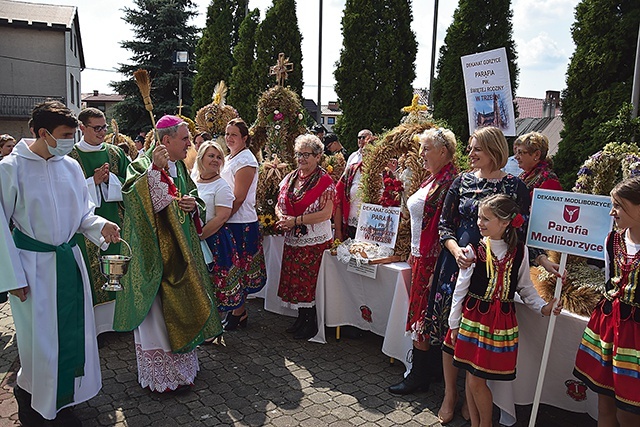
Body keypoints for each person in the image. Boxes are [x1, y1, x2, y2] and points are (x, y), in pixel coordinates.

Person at [0, 100, 121, 426]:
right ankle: (33, 397)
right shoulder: (11, 168)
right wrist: (11, 276)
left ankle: (66, 397)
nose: (72, 140)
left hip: (69, 262)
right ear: (43, 133)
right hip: (33, 267)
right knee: (40, 341)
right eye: (66, 134)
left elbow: (82, 212)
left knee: (75, 333)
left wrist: (100, 226)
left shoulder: (69, 166)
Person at [114, 115, 222, 393]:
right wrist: (152, 171)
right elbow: (132, 200)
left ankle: (184, 369)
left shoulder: (181, 168)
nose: (190, 144)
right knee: (158, 315)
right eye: (185, 139)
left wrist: (191, 203)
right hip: (155, 256)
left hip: (182, 250)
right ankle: (163, 376)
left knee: (183, 305)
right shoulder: (140, 165)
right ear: (166, 140)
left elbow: (194, 195)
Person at [429, 126, 530, 423]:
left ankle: (472, 394)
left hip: (491, 270)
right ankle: (451, 393)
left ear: (494, 150)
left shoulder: (515, 186)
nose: (470, 154)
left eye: (477, 149)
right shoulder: (461, 182)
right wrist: (454, 249)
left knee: (476, 339)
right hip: (457, 264)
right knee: (452, 333)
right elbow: (444, 224)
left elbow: (521, 232)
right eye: (470, 148)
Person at [447, 194, 561, 427]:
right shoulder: (472, 250)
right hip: (474, 318)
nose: (480, 223)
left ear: (506, 222)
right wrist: (454, 323)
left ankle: (484, 423)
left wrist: (543, 308)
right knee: (472, 375)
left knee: (477, 379)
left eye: (486, 219)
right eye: (479, 217)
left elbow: (525, 288)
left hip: (500, 324)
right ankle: (480, 423)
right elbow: (460, 289)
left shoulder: (519, 251)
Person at [388, 128, 458, 395]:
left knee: (423, 316)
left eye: (426, 148)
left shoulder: (450, 182)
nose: (421, 154)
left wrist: (436, 266)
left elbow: (447, 227)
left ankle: (419, 375)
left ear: (443, 151)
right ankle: (428, 372)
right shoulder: (434, 179)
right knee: (423, 315)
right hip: (420, 256)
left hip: (434, 260)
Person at [573, 176, 640, 426]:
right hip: (608, 326)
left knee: (630, 410)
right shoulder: (613, 240)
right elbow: (610, 278)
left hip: (635, 336)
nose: (613, 211)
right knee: (605, 400)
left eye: (619, 205)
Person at [69, 107, 130, 337]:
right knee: (93, 274)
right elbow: (66, 194)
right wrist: (91, 181)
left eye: (104, 127)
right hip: (86, 229)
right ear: (82, 128)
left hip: (116, 221)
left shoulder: (116, 154)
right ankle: (97, 328)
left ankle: (121, 322)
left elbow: (130, 183)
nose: (102, 132)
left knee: (120, 271)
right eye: (97, 128)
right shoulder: (71, 158)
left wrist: (111, 180)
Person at [275, 134, 335, 340]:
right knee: (296, 279)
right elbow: (279, 202)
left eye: (307, 155)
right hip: (294, 237)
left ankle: (311, 322)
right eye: (299, 154)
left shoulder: (325, 181)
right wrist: (281, 217)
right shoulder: (291, 177)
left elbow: (326, 214)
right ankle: (301, 318)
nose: (301, 159)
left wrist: (296, 220)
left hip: (314, 241)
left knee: (309, 281)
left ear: (318, 157)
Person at [220, 118, 267, 330]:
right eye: (227, 134)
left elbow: (239, 197)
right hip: (229, 219)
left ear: (245, 138)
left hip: (240, 221)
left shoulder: (246, 160)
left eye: (234, 135)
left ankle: (239, 311)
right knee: (232, 266)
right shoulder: (231, 157)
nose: (229, 138)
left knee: (241, 268)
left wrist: (222, 218)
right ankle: (235, 309)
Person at [194, 141, 243, 323]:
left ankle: (212, 327)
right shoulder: (193, 179)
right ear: (201, 158)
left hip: (213, 239)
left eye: (219, 157)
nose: (215, 160)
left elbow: (221, 217)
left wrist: (200, 236)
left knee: (213, 283)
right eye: (211, 156)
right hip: (196, 238)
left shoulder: (221, 185)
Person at [514, 131, 563, 276]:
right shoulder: (525, 175)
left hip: (537, 244)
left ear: (536, 154)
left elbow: (550, 216)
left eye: (521, 153)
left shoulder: (548, 179)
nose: (516, 157)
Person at [334, 129, 374, 240]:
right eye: (359, 137)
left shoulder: (375, 157)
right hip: (351, 205)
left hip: (367, 203)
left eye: (364, 137)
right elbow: (345, 178)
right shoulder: (353, 156)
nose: (362, 140)